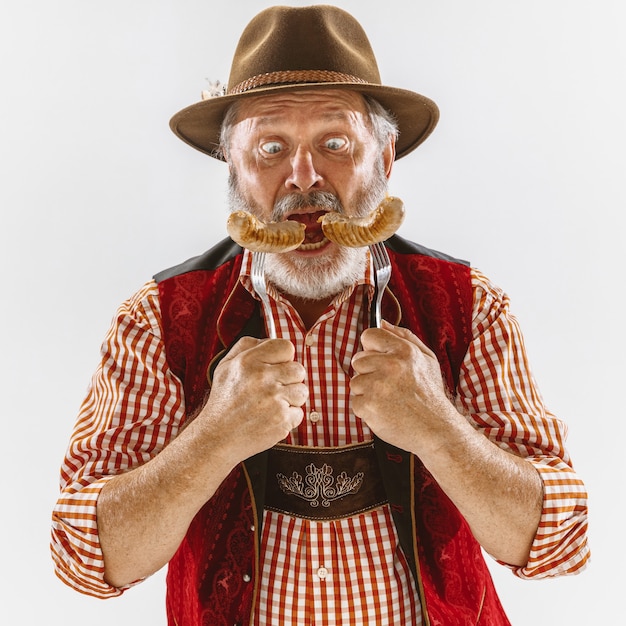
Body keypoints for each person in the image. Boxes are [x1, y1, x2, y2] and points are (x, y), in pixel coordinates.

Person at [51, 5, 589, 625]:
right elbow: (85, 561)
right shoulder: (157, 321)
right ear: (233, 169)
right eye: (270, 148)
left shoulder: (468, 307)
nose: (303, 179)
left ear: (385, 159)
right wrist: (211, 438)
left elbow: (559, 543)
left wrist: (439, 429)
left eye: (335, 144)